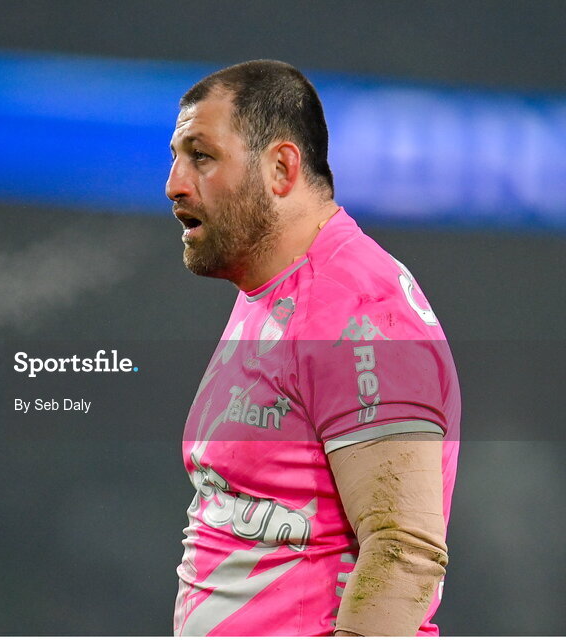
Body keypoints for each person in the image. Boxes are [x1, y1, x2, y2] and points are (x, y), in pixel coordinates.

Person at [167, 60, 460, 636]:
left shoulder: (360, 311)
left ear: (280, 168)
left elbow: (404, 553)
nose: (174, 183)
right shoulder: (271, 287)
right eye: (176, 157)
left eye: (201, 156)